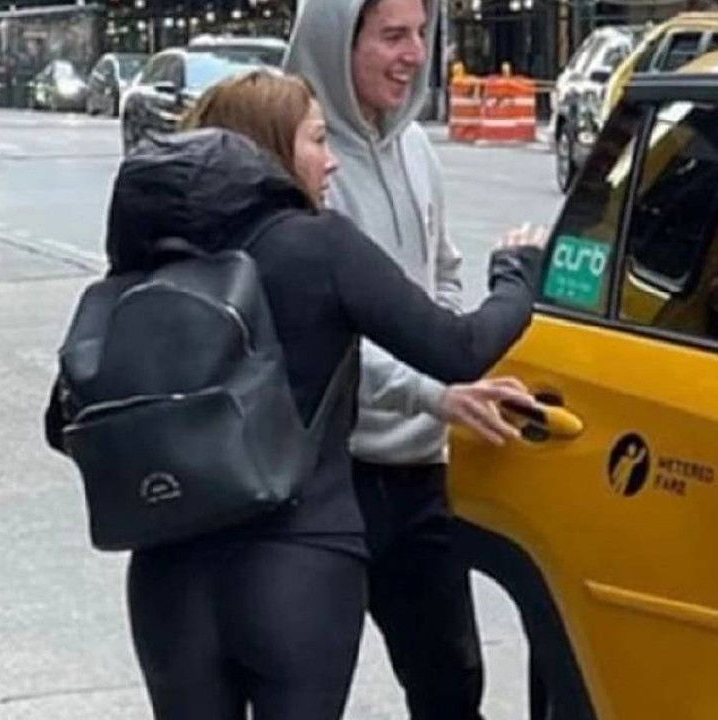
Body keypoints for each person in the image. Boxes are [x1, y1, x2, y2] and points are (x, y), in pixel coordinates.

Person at [44, 69, 544, 720]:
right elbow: (458, 350)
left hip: (168, 579)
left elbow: (65, 422)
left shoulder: (148, 259)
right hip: (300, 563)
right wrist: (515, 278)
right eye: (317, 139)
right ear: (270, 147)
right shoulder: (317, 244)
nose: (331, 161)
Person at [285, 2, 530, 717]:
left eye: (422, 34)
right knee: (306, 691)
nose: (415, 55)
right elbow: (315, 330)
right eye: (393, 36)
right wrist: (433, 389)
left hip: (422, 471)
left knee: (451, 682)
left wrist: (437, 362)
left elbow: (442, 274)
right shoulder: (300, 163)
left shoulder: (417, 147)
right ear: (337, 42)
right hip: (330, 477)